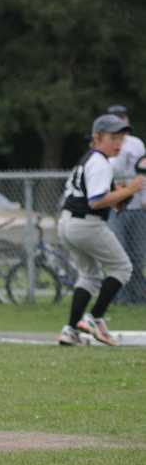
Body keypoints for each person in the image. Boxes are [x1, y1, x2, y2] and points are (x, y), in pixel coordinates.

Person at [57, 113, 143, 347]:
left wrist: (121, 193)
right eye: (113, 138)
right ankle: (94, 318)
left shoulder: (88, 159)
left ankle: (70, 330)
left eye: (121, 139)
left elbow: (97, 197)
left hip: (67, 223)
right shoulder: (100, 162)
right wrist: (130, 190)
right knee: (122, 268)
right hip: (86, 224)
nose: (118, 143)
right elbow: (96, 201)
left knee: (89, 276)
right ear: (97, 138)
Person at [106, 105, 146, 304]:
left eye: (122, 118)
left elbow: (144, 170)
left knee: (138, 255)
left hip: (137, 207)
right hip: (117, 207)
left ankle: (138, 296)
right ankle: (120, 298)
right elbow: (112, 170)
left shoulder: (136, 143)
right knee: (119, 253)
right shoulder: (107, 146)